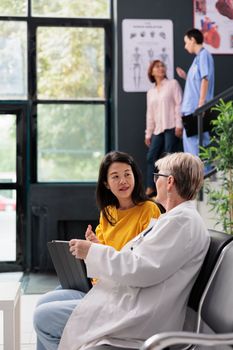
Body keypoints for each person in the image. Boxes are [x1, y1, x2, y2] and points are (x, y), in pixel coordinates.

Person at [34, 152, 210, 350]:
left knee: (44, 317)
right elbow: (137, 260)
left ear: (169, 182)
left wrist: (92, 252)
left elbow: (140, 268)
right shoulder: (176, 219)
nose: (155, 182)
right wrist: (95, 249)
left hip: (138, 313)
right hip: (130, 300)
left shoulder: (181, 222)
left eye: (157, 176)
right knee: (46, 310)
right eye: (115, 176)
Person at [145, 59, 183, 197]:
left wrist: (179, 125)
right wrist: (148, 133)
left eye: (162, 66)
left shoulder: (172, 84)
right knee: (151, 157)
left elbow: (179, 104)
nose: (161, 68)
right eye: (157, 66)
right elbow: (150, 114)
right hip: (158, 129)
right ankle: (150, 187)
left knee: (168, 157)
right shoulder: (151, 92)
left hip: (171, 126)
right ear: (152, 72)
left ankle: (169, 188)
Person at [176, 28, 214, 158]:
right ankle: (197, 176)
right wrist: (186, 77)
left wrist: (201, 103)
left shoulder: (204, 55)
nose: (185, 47)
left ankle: (201, 176)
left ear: (193, 40)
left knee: (197, 147)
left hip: (196, 110)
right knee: (192, 147)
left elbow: (205, 78)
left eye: (186, 42)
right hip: (190, 110)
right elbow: (198, 81)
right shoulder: (197, 59)